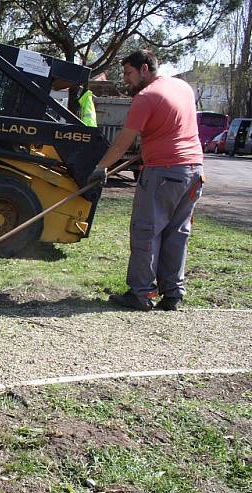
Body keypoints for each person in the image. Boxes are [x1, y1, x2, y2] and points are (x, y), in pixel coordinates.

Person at [88, 49, 203, 312]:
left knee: (146, 232)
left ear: (144, 69)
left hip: (163, 173)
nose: (126, 80)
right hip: (194, 171)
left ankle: (141, 294)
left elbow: (122, 143)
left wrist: (100, 168)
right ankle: (173, 294)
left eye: (129, 73)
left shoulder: (146, 97)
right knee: (177, 234)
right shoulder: (182, 87)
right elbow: (174, 127)